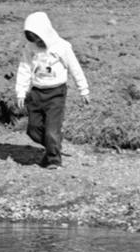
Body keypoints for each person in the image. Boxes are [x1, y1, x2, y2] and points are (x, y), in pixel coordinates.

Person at [15, 11, 90, 169]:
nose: (38, 43)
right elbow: (24, 68)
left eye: (39, 38)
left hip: (56, 93)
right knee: (33, 130)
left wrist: (83, 89)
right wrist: (20, 91)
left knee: (51, 131)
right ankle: (52, 146)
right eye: (34, 39)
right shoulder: (30, 48)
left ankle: (54, 159)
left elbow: (75, 68)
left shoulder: (62, 47)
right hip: (36, 93)